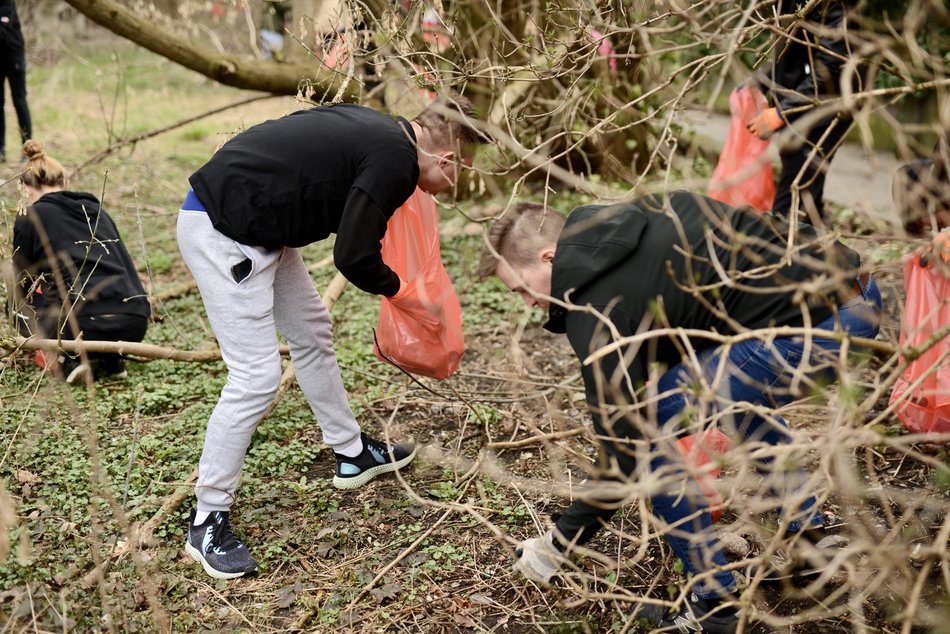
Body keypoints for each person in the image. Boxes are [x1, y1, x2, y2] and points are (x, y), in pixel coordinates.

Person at [478, 191, 882, 633]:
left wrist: (558, 545)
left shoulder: (594, 307)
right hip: (858, 295)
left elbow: (623, 451)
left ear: (549, 257)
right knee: (730, 396)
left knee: (649, 432)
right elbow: (687, 311)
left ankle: (716, 604)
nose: (526, 303)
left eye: (521, 288)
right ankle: (811, 542)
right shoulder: (621, 224)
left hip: (817, 331)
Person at [178, 94, 482, 579]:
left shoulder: (383, 131)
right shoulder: (395, 159)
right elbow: (354, 257)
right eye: (459, 175)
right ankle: (207, 518)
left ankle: (351, 452)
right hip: (223, 231)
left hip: (261, 227)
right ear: (445, 159)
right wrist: (405, 293)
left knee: (313, 330)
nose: (451, 187)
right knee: (256, 377)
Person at [12, 140, 151, 383]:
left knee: (19, 308)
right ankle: (111, 359)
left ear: (26, 189)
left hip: (81, 326)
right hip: (134, 323)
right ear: (64, 183)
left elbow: (21, 280)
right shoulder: (97, 211)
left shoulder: (30, 215)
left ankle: (70, 359)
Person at [746, 0, 860, 222]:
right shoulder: (790, 3)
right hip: (801, 103)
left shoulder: (832, 5)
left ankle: (784, 249)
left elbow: (831, 65)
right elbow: (791, 53)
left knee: (792, 200)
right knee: (806, 194)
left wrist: (783, 113)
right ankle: (813, 244)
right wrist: (758, 81)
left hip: (827, 109)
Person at [0, 0, 31, 162]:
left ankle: (28, 149)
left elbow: (3, 26)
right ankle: (1, 151)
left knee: (19, 102)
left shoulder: (6, 2)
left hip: (14, 56)